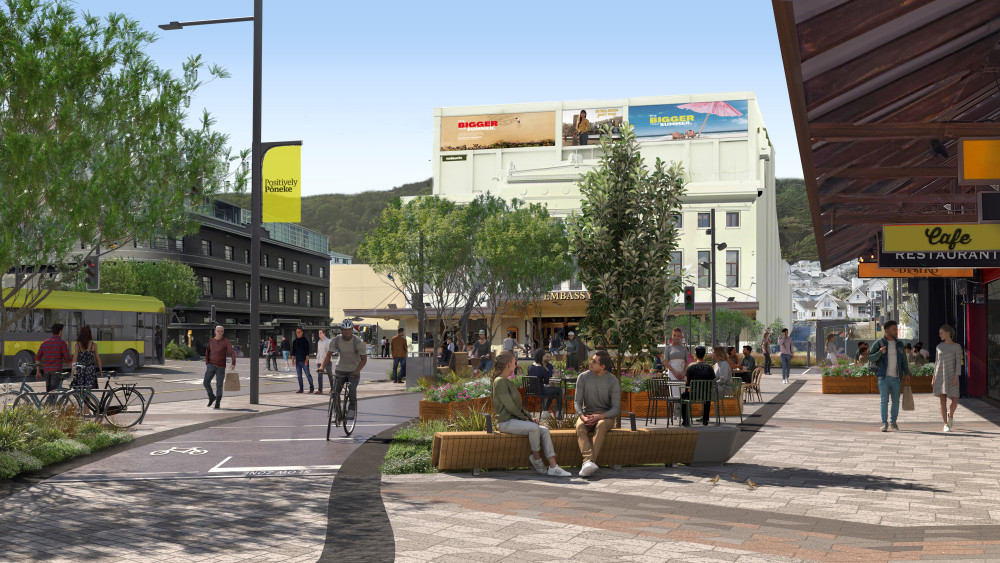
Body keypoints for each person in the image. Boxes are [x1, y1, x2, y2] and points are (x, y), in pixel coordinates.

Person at [491, 351, 571, 477]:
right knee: (534, 428)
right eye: (514, 363)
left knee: (544, 430)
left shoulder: (508, 382)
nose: (516, 365)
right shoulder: (499, 381)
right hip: (505, 422)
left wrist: (530, 417)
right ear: (508, 364)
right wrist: (524, 418)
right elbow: (510, 406)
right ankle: (536, 458)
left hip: (515, 421)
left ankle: (553, 466)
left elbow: (519, 407)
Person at [574, 350, 621, 478]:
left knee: (600, 425)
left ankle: (588, 462)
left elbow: (616, 409)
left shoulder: (612, 381)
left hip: (605, 416)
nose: (590, 363)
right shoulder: (583, 377)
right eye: (591, 360)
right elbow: (577, 402)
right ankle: (589, 462)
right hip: (587, 414)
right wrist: (582, 416)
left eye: (594, 361)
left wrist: (600, 416)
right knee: (580, 426)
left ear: (603, 366)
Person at [868, 320, 912, 432]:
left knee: (896, 402)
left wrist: (907, 373)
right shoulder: (879, 343)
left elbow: (903, 360)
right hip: (883, 377)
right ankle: (884, 423)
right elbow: (870, 357)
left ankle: (893, 422)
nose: (896, 331)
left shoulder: (900, 344)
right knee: (884, 401)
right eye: (894, 329)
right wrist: (880, 352)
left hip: (897, 378)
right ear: (887, 331)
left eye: (896, 329)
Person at [323, 319, 367, 419]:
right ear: (341, 330)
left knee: (352, 388)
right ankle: (337, 413)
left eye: (349, 329)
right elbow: (328, 355)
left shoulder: (358, 342)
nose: (347, 332)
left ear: (352, 330)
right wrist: (322, 367)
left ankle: (351, 409)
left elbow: (364, 360)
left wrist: (356, 372)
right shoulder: (335, 340)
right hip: (340, 369)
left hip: (353, 370)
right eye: (345, 329)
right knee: (335, 392)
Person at [932, 324, 962, 432]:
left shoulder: (957, 347)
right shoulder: (939, 347)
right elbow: (937, 363)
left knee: (955, 400)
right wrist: (933, 376)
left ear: (948, 334)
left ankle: (951, 415)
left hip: (952, 376)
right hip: (940, 376)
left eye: (941, 333)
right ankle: (945, 424)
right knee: (943, 400)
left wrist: (956, 376)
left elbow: (958, 363)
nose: (939, 335)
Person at [204, 325, 236, 409]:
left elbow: (232, 352)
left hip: (221, 367)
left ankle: (217, 402)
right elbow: (207, 352)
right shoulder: (211, 341)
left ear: (223, 332)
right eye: (218, 331)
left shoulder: (226, 341)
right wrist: (207, 363)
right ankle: (211, 397)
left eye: (221, 331)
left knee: (219, 385)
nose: (220, 333)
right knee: (206, 382)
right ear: (215, 331)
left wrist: (233, 363)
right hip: (211, 365)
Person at [681, 346, 715, 427]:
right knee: (707, 397)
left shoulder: (691, 366)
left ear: (695, 355)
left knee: (684, 396)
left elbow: (687, 383)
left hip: (693, 394)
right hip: (706, 395)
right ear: (704, 354)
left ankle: (685, 420)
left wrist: (686, 391)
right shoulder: (709, 367)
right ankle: (705, 419)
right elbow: (712, 381)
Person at [35, 323, 71, 394]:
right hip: (56, 371)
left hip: (47, 371)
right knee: (53, 395)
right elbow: (68, 359)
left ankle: (49, 401)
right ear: (60, 331)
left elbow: (38, 358)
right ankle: (47, 402)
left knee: (49, 393)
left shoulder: (45, 343)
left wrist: (38, 372)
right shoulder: (62, 343)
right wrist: (74, 369)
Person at [527, 349, 561, 418]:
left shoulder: (530, 366)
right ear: (541, 357)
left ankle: (546, 411)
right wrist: (547, 371)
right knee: (559, 390)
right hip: (541, 391)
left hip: (531, 390)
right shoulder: (542, 368)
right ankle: (558, 412)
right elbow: (546, 381)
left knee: (552, 391)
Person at [291, 327, 316, 394]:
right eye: (297, 332)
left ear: (302, 332)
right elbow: (293, 352)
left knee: (308, 375)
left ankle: (311, 388)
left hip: (304, 361)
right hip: (297, 361)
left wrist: (306, 361)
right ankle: (301, 389)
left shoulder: (305, 341)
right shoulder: (294, 341)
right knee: (299, 376)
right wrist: (292, 360)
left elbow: (307, 352)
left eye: (299, 332)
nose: (298, 333)